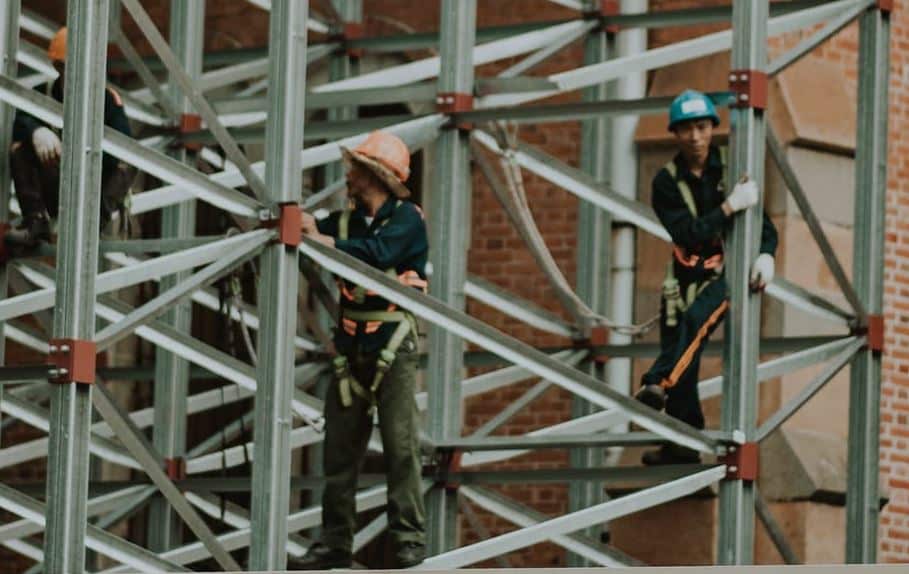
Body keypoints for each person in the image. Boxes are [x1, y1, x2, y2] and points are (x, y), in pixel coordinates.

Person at [295, 130, 428, 569]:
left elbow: (375, 254)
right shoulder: (346, 222)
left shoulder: (407, 219)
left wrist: (323, 240)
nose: (348, 176)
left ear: (374, 176)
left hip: (392, 345)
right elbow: (319, 235)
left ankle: (408, 538)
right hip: (352, 347)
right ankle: (335, 540)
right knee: (340, 450)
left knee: (400, 444)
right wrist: (308, 229)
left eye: (355, 170)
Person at [635, 89, 778, 465]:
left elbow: (762, 223)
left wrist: (766, 254)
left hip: (724, 273)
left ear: (713, 128)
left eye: (701, 127)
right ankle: (681, 443)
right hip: (681, 275)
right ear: (676, 134)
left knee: (696, 322)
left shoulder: (731, 169)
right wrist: (729, 206)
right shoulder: (666, 182)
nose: (695, 137)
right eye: (686, 130)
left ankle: (655, 382)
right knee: (682, 353)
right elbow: (689, 233)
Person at [8, 27, 134, 246]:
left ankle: (94, 224)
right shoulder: (43, 92)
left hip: (95, 189)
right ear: (58, 67)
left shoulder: (106, 100)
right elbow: (18, 123)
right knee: (19, 147)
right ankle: (35, 222)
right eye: (70, 68)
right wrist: (37, 131)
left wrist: (80, 153)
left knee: (128, 163)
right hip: (57, 185)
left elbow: (123, 153)